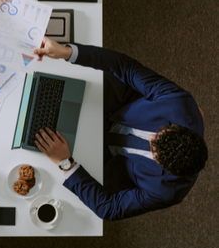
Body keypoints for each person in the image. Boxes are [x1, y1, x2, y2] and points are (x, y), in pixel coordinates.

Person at [32, 36, 208, 221]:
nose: (150, 138)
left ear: (164, 168)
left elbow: (110, 209)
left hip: (102, 160)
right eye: (159, 133)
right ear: (178, 128)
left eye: (153, 149)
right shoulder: (180, 104)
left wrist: (66, 163)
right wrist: (67, 52)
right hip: (110, 104)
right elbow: (126, 67)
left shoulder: (166, 191)